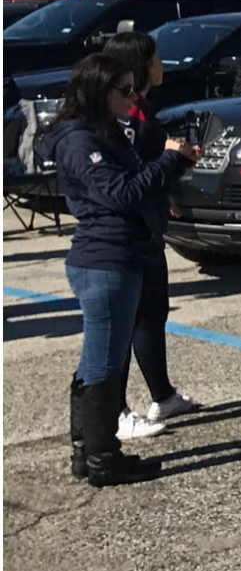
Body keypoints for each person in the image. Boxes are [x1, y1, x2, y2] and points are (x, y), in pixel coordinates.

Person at [44, 55, 199, 485]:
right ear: (97, 91)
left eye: (135, 89)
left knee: (98, 359)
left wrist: (176, 163)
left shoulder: (106, 131)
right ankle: (103, 458)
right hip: (105, 258)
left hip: (119, 253)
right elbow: (119, 193)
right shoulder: (79, 139)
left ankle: (87, 452)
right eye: (124, 91)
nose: (133, 99)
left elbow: (134, 184)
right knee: (105, 364)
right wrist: (167, 161)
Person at [100, 30, 202, 439]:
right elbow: (134, 172)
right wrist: (170, 162)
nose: (162, 65)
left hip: (147, 225)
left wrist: (171, 177)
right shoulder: (123, 116)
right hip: (123, 234)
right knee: (124, 322)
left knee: (152, 312)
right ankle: (117, 410)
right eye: (156, 59)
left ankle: (162, 394)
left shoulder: (140, 109)